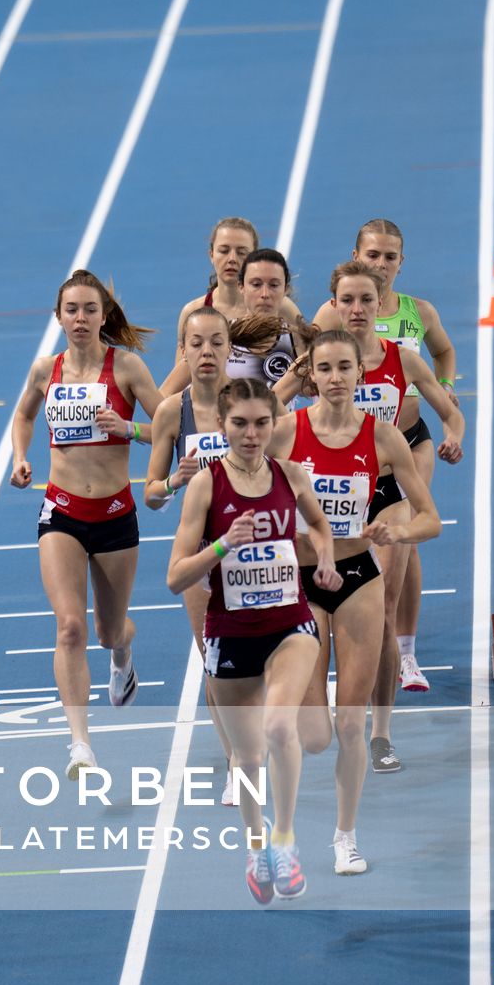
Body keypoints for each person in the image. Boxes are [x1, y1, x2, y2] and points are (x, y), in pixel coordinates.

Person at [167, 377, 341, 904]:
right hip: (230, 631)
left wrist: (325, 558)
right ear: (222, 425)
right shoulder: (205, 485)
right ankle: (257, 844)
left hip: (290, 625)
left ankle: (285, 841)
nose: (251, 434)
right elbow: (175, 577)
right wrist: (222, 545)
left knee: (280, 725)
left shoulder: (291, 474)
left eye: (261, 423)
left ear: (273, 423)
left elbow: (320, 525)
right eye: (240, 424)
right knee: (246, 759)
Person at [285, 328, 441, 860]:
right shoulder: (285, 432)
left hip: (358, 578)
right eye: (324, 368)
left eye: (344, 368)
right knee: (315, 736)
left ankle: (345, 838)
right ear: (312, 375)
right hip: (302, 582)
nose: (335, 378)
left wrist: (398, 531)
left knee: (350, 724)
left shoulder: (384, 438)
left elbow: (430, 519)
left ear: (360, 373)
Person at [10, 270, 161, 778]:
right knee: (70, 627)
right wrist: (20, 458)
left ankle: (123, 655)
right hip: (62, 513)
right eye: (71, 310)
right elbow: (24, 416)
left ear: (103, 315)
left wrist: (130, 428)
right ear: (58, 317)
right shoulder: (44, 370)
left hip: (115, 515)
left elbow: (169, 426)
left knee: (109, 632)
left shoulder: (127, 367)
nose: (80, 319)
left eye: (89, 310)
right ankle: (80, 745)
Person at [145, 304, 297, 807]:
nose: (206, 352)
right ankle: (237, 761)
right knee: (217, 667)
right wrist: (175, 480)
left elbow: (289, 461)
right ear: (183, 351)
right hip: (205, 556)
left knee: (266, 659)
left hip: (258, 552)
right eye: (196, 344)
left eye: (216, 343)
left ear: (231, 350)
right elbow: (151, 493)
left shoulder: (254, 402)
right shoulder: (172, 412)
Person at [317, 261, 464, 773]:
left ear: (381, 304)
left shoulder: (402, 359)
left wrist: (454, 437)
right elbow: (266, 408)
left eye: (366, 300)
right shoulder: (320, 360)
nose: (357, 309)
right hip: (333, 497)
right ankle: (331, 710)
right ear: (334, 305)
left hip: (387, 490)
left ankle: (379, 734)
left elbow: (451, 411)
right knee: (321, 617)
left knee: (381, 610)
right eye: (347, 300)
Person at [162, 247, 303, 398]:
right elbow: (164, 396)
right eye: (256, 284)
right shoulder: (219, 336)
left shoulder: (294, 337)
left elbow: (311, 390)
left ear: (285, 289)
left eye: (274, 285)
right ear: (241, 287)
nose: (265, 294)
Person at [170, 215, 260, 367]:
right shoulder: (193, 313)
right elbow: (181, 375)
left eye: (241, 252)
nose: (232, 259)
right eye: (224, 251)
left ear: (254, 258)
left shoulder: (279, 308)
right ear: (211, 255)